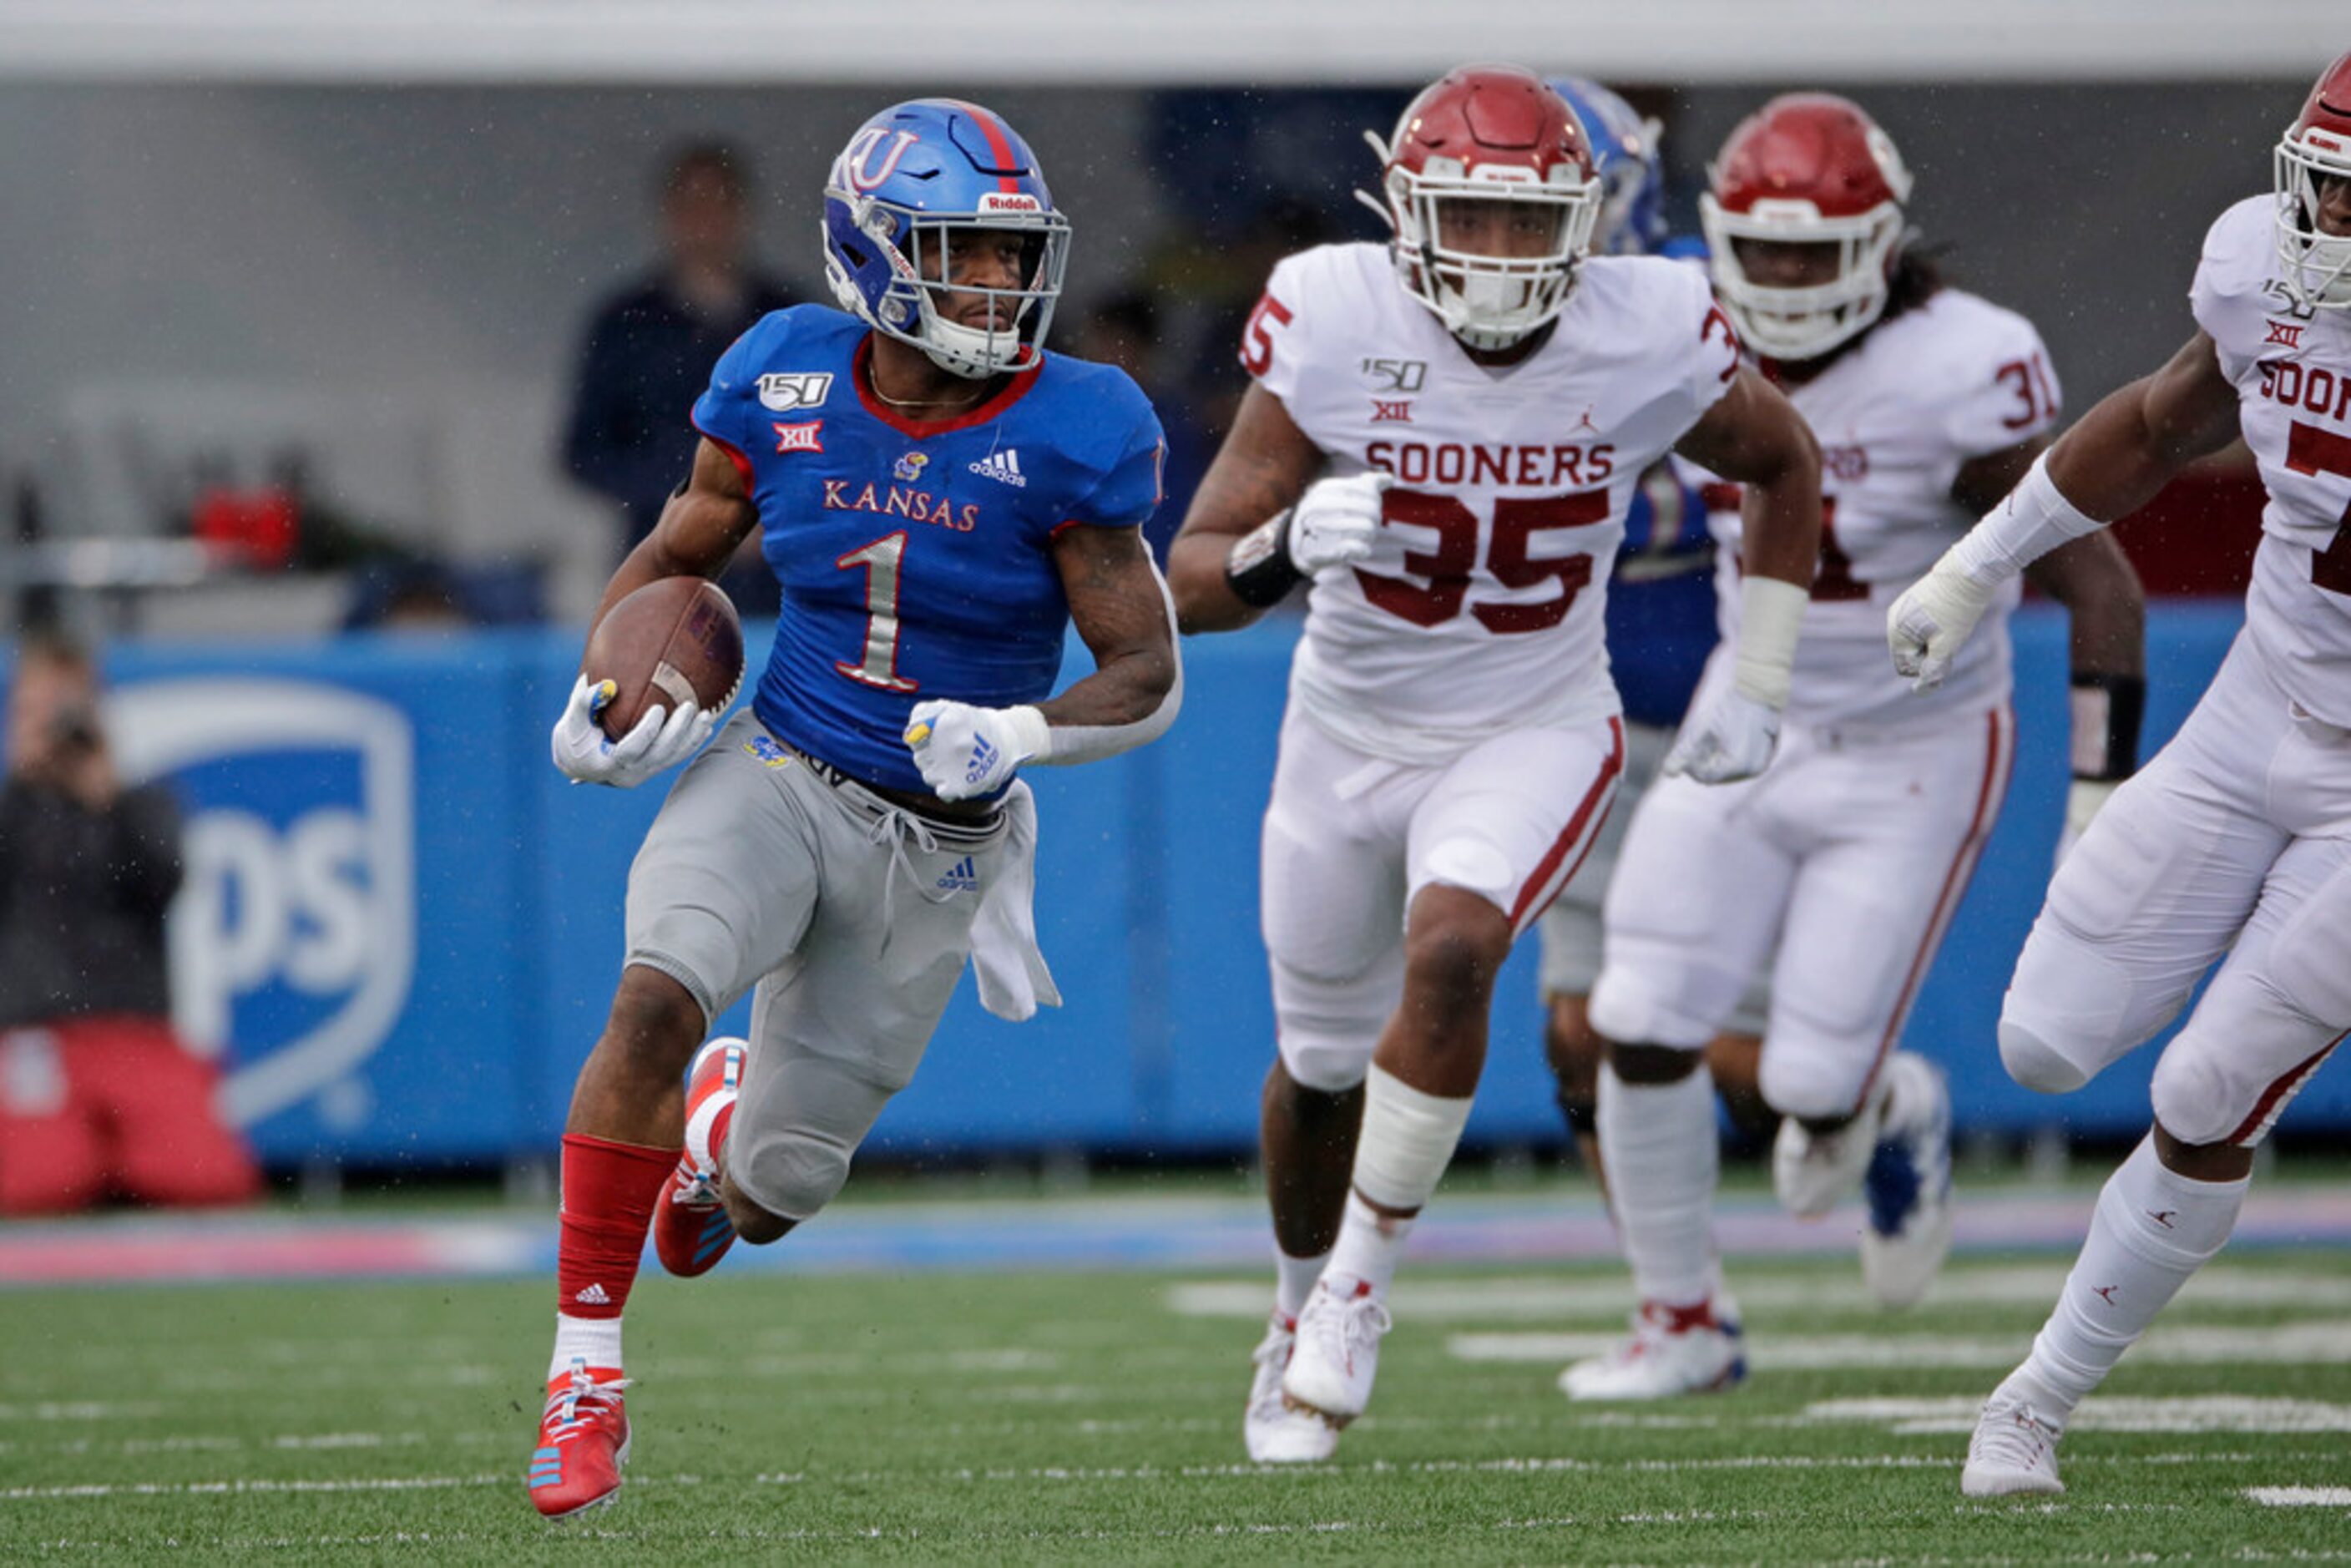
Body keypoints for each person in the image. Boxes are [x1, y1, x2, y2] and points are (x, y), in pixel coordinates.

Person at [524, 99, 1181, 1520]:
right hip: (781, 760)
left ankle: (717, 1141)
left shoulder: (1075, 426)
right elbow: (680, 543)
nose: (999, 287)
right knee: (652, 997)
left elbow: (1148, 670)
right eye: (963, 254)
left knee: (773, 1197)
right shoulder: (780, 374)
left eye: (1013, 258)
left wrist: (1017, 732)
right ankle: (585, 1371)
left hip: (934, 844)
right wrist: (604, 690)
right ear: (871, 253)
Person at [1165, 63, 1823, 1463]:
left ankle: (1359, 1285)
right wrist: (1288, 545)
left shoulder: (1649, 325)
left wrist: (1759, 672)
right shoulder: (1335, 315)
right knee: (1317, 1067)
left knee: (1456, 949)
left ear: (1590, 222)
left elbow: (1785, 460)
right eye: (1471, 218)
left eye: (1533, 226)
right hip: (1345, 728)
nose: (1503, 254)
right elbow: (1192, 576)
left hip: (1530, 717)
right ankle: (1289, 1314)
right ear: (1406, 214)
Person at [1564, 94, 2146, 1401]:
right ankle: (1680, 1321)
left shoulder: (1963, 362)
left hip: (1913, 745)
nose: (1775, 281)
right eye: (1754, 251)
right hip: (1750, 715)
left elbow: (2098, 583)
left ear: (1883, 247)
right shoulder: (1680, 320)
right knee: (1634, 1016)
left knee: (1815, 1087)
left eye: (1807, 253)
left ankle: (1884, 1107)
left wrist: (2099, 791)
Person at [1884, 53, 2351, 1498]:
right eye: (2323, 177)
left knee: (2210, 1085)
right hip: (2257, 702)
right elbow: (2163, 422)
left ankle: (2032, 1398)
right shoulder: (2261, 264)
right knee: (2040, 1042)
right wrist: (1977, 566)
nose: (2326, 213)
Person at [1532, 76, 1778, 1182]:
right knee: (1580, 1023)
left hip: (1720, 691)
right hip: (1577, 697)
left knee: (1745, 1052)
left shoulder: (1704, 290)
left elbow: (1775, 473)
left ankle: (1834, 1162)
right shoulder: (1464, 315)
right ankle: (1652, 1273)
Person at [0, 633, 261, 1216]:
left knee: (206, 1179)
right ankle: (96, 1161)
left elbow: (165, 879)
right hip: (36, 1039)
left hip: (133, 1031)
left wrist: (103, 788)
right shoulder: (12, 811)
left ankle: (117, 1161)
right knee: (36, 1185)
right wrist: (21, 776)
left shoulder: (139, 802)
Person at [561, 140, 798, 613]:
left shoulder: (786, 316)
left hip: (774, 571)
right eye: (692, 204)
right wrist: (689, 501)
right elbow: (584, 452)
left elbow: (831, 435)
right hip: (661, 562)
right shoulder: (626, 323)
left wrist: (767, 513)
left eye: (718, 203)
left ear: (743, 212)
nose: (705, 220)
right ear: (667, 213)